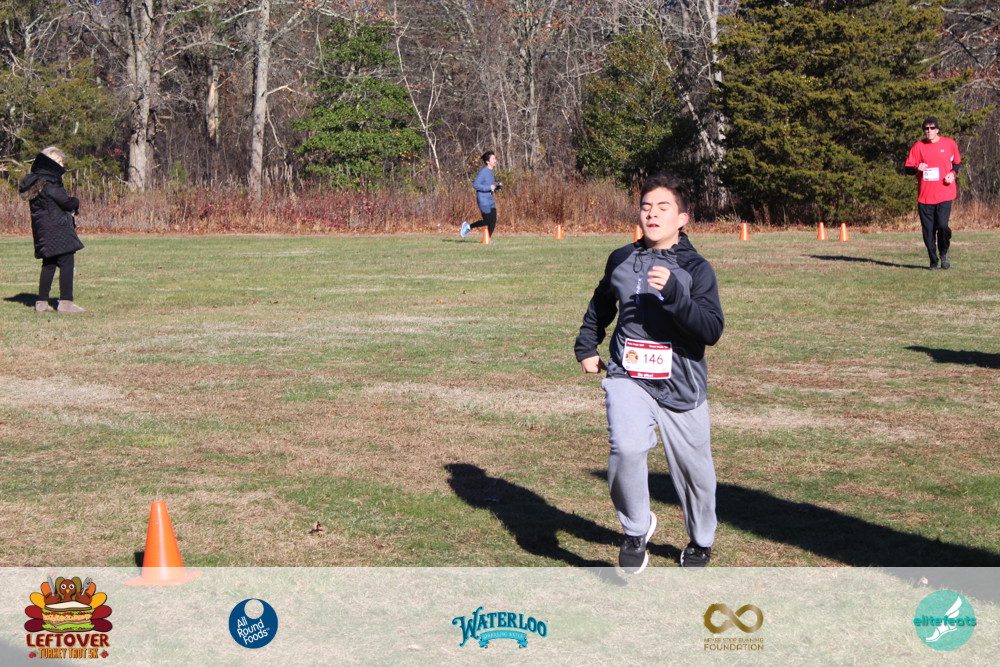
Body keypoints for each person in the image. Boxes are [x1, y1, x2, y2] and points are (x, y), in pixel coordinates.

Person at [574, 173, 724, 572]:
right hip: (628, 374)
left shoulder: (696, 268)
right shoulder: (621, 259)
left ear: (682, 219)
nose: (652, 214)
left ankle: (701, 540)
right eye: (646, 207)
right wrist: (586, 346)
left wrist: (675, 294)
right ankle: (635, 529)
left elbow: (711, 330)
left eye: (663, 208)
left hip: (682, 385)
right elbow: (601, 304)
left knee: (695, 473)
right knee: (626, 448)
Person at [18, 146, 86, 313]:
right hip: (58, 229)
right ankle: (66, 303)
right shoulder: (50, 182)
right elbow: (65, 202)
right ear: (51, 162)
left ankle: (41, 303)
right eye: (59, 161)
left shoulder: (36, 182)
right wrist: (75, 201)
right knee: (67, 262)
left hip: (43, 230)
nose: (62, 165)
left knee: (48, 264)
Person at [904, 117, 962, 270]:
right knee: (928, 232)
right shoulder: (918, 146)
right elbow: (907, 168)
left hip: (945, 193)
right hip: (925, 196)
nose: (929, 131)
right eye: (926, 128)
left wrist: (952, 174)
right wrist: (917, 168)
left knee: (942, 226)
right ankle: (933, 261)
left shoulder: (949, 143)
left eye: (932, 128)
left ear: (937, 130)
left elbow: (957, 163)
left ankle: (943, 252)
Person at [460, 151, 501, 242]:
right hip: (483, 200)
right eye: (493, 159)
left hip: (490, 199)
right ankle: (468, 226)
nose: (495, 160)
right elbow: (476, 185)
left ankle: (488, 239)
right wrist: (489, 187)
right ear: (487, 161)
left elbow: (490, 187)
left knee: (493, 220)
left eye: (495, 158)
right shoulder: (483, 172)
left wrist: (497, 187)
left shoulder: (491, 172)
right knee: (488, 220)